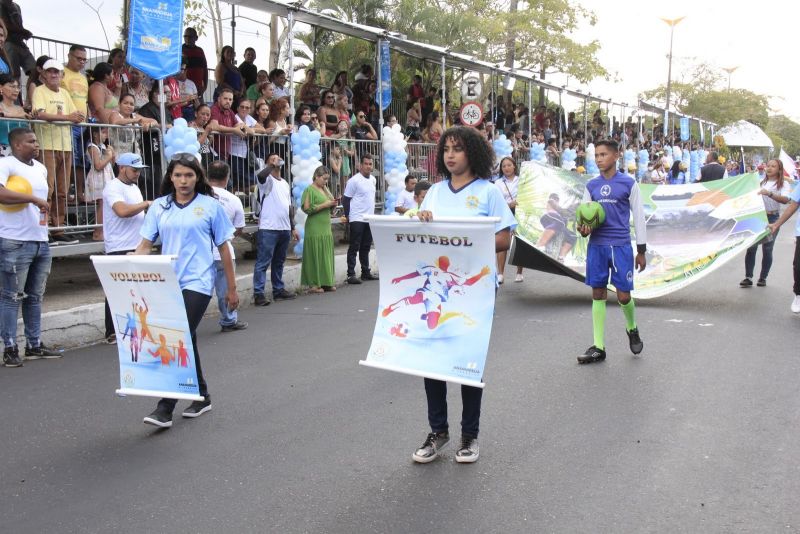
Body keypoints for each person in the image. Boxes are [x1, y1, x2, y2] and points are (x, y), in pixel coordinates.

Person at [410, 126, 515, 464]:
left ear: (473, 153)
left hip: (475, 288)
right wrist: (420, 217)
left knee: (468, 362)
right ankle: (438, 432)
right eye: (446, 150)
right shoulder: (435, 193)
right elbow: (419, 231)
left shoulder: (489, 192)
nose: (450, 155)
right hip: (437, 290)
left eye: (457, 149)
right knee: (433, 361)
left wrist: (466, 240)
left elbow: (504, 239)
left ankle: (469, 435)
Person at [134, 153, 237, 428]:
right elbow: (145, 245)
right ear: (170, 177)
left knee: (175, 338)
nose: (183, 180)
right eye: (178, 175)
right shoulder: (160, 207)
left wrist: (232, 288)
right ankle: (202, 395)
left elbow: (225, 247)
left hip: (199, 282)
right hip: (168, 283)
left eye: (189, 175)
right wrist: (128, 276)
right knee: (186, 339)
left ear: (197, 177)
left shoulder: (211, 206)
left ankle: (165, 407)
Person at [576, 139, 647, 365]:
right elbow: (584, 216)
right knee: (598, 293)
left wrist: (641, 250)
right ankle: (599, 347)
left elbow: (639, 217)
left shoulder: (629, 183)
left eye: (603, 154)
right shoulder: (591, 186)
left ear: (616, 156)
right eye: (596, 155)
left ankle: (632, 328)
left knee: (623, 295)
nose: (598, 159)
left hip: (621, 246)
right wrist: (584, 230)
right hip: (597, 246)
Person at [0, 128, 62, 367]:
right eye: (31, 141)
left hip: (40, 239)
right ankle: (10, 348)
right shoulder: (6, 164)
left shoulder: (40, 167)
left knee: (35, 297)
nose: (36, 144)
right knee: (11, 297)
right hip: (14, 240)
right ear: (17, 145)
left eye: (36, 140)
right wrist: (32, 199)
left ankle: (34, 344)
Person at [32, 59, 83, 244]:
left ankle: (58, 229)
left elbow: (76, 115)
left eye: (57, 72)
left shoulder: (65, 93)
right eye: (50, 71)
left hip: (65, 145)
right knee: (47, 190)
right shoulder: (39, 91)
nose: (54, 74)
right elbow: (40, 113)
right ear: (43, 74)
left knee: (61, 191)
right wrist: (69, 117)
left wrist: (74, 117)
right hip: (47, 145)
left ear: (62, 75)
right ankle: (43, 228)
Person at [101, 153, 151, 343]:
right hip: (119, 245)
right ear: (122, 168)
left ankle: (132, 326)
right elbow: (122, 211)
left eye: (139, 170)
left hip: (136, 245)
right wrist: (146, 203)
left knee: (136, 289)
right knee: (117, 290)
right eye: (134, 169)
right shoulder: (112, 187)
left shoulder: (134, 187)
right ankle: (112, 331)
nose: (138, 173)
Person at [252, 154, 299, 306]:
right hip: (269, 227)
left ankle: (278, 290)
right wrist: (271, 166)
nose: (276, 160)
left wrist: (292, 227)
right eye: (272, 159)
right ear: (267, 164)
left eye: (278, 158)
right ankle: (258, 293)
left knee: (279, 261)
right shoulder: (266, 180)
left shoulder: (285, 183)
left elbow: (289, 206)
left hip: (284, 227)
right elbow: (260, 175)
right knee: (263, 262)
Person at [207, 160, 248, 332]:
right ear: (227, 178)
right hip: (224, 252)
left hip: (201, 253)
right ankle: (229, 320)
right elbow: (239, 228)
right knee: (225, 290)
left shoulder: (197, 196)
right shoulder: (233, 200)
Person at [741, 159, 791, 288]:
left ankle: (763, 278)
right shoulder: (759, 182)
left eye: (773, 166)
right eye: (768, 166)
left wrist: (769, 193)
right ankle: (748, 277)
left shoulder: (783, 185)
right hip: (758, 217)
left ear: (779, 169)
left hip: (773, 217)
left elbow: (785, 200)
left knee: (767, 249)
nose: (769, 168)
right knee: (751, 247)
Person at [342, 153, 379, 285]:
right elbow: (346, 199)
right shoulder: (354, 181)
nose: (368, 166)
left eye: (370, 164)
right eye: (366, 164)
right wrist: (348, 216)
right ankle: (351, 274)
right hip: (357, 217)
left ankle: (365, 272)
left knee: (366, 246)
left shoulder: (373, 180)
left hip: (369, 218)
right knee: (354, 246)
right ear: (360, 165)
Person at [300, 166, 337, 293]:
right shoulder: (309, 190)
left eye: (327, 179)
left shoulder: (325, 189)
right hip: (314, 226)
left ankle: (327, 281)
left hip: (325, 226)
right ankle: (314, 284)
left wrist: (332, 205)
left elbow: (330, 207)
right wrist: (324, 205)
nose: (325, 182)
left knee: (325, 253)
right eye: (324, 179)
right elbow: (306, 209)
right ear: (316, 176)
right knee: (315, 253)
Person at [494, 156, 524, 283]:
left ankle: (519, 272)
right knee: (502, 242)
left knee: (519, 242)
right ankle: (500, 273)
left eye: (509, 165)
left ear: (514, 166)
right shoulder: (497, 183)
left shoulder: (522, 180)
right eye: (504, 166)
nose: (506, 168)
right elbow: (496, 202)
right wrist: (508, 205)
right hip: (504, 213)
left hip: (520, 213)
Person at [84, 126, 114, 241]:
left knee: (105, 204)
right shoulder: (93, 147)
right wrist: (108, 156)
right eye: (103, 132)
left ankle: (102, 230)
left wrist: (112, 155)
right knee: (102, 204)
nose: (106, 135)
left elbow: (111, 163)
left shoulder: (102, 146)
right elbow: (98, 166)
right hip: (98, 177)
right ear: (96, 134)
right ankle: (97, 232)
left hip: (106, 176)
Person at [209, 88, 246, 163]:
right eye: (225, 98)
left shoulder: (230, 111)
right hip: (214, 153)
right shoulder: (214, 109)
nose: (228, 101)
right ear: (219, 99)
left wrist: (243, 128)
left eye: (230, 99)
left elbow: (239, 126)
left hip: (225, 153)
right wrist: (234, 130)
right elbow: (215, 126)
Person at [0, 73, 28, 156]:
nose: (16, 90)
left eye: (17, 87)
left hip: (21, 150)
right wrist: (20, 116)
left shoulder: (20, 109)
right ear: (0, 87)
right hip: (3, 149)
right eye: (12, 86)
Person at [0, 4, 30, 77]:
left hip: (20, 43)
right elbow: (5, 24)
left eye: (1, 36)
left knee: (34, 70)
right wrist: (22, 31)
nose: (1, 38)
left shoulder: (16, 6)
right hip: (9, 43)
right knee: (15, 74)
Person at [182, 27, 208, 98]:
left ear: (196, 38)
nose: (187, 38)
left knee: (200, 108)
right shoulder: (180, 50)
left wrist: (205, 86)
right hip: (184, 90)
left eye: (190, 36)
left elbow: (205, 69)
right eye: (185, 36)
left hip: (198, 89)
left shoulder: (200, 51)